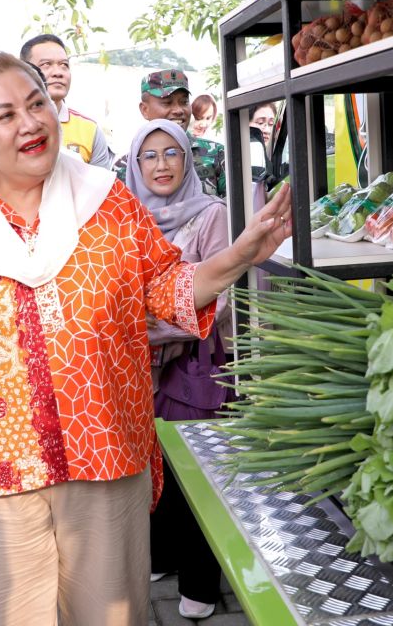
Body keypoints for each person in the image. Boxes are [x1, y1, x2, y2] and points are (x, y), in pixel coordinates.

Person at [0, 51, 291, 626]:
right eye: (4, 115)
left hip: (106, 461)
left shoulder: (108, 204)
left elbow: (169, 286)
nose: (29, 123)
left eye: (36, 104)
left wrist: (239, 255)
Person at [123, 120, 230, 621]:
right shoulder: (122, 218)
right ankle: (161, 556)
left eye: (171, 153)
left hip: (194, 365)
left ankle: (201, 582)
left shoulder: (211, 215)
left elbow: (223, 296)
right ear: (135, 165)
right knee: (151, 467)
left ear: (188, 159)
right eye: (150, 156)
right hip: (135, 369)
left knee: (195, 476)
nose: (161, 164)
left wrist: (154, 327)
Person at [115, 70, 227, 198]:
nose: (179, 110)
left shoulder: (216, 154)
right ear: (145, 110)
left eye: (184, 102)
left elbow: (233, 210)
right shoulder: (124, 167)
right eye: (167, 103)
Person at [20, 34, 114, 169]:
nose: (58, 72)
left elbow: (102, 187)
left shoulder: (89, 130)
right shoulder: (10, 126)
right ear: (24, 71)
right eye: (46, 64)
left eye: (64, 65)